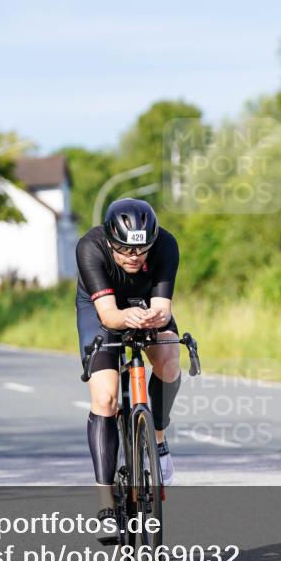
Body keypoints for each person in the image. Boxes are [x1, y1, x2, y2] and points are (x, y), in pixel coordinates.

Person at [75, 198, 182, 527]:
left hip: (145, 307)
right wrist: (124, 317)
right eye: (125, 251)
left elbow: (163, 306)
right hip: (102, 311)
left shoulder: (165, 244)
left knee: (168, 356)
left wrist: (154, 316)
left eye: (142, 250)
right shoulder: (90, 248)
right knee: (105, 398)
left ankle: (159, 440)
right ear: (110, 241)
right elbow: (108, 314)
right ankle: (105, 500)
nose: (134, 258)